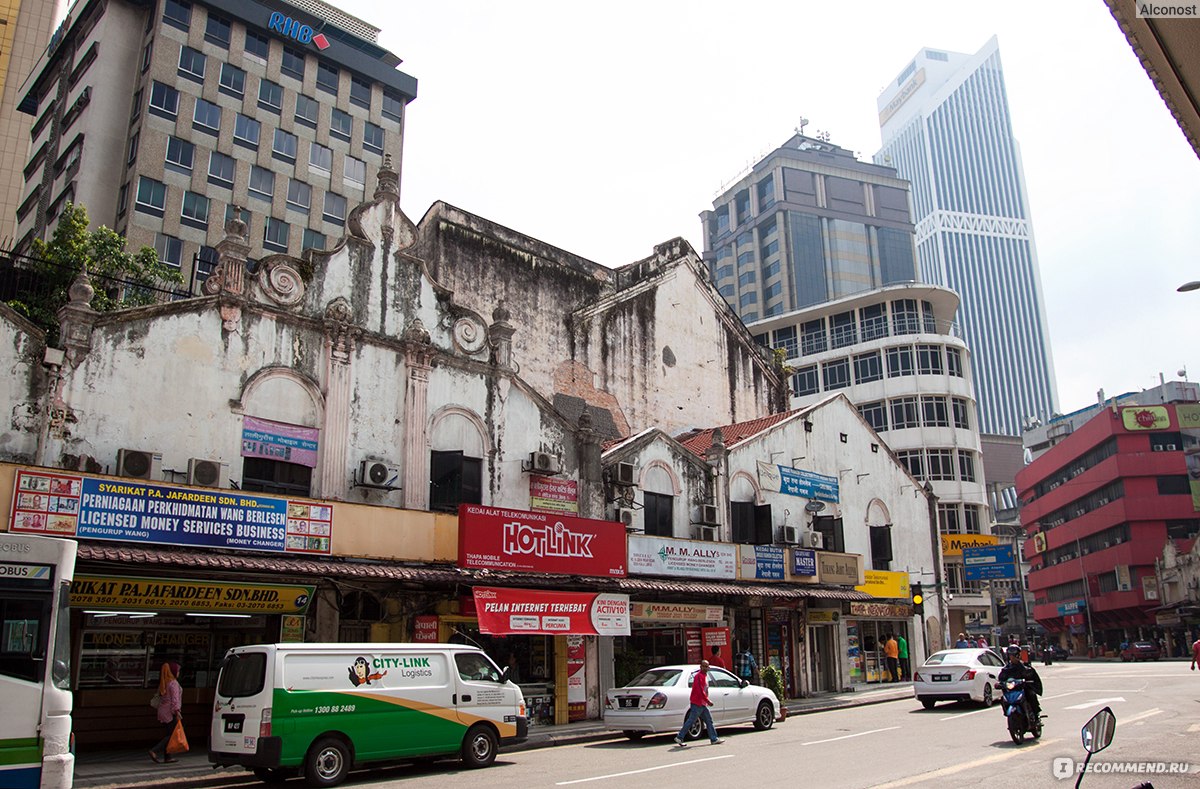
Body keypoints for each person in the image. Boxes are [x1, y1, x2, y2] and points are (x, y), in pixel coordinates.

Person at [673, 660, 722, 746]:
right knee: (691, 720)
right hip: (697, 703)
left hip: (702, 704)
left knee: (708, 720)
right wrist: (708, 701)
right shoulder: (698, 676)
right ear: (700, 667)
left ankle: (714, 738)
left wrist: (706, 701)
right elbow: (700, 691)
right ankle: (679, 737)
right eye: (704, 666)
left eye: (707, 666)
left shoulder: (704, 676)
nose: (705, 668)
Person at [149, 661, 183, 764]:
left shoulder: (165, 682)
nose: (178, 673)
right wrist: (177, 712)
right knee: (171, 735)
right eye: (178, 671)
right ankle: (154, 750)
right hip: (170, 712)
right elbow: (175, 700)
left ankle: (168, 756)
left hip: (162, 712)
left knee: (169, 733)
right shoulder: (173, 683)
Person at [998, 645, 1042, 717]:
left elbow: (1031, 676)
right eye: (1011, 655)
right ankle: (1007, 713)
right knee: (1003, 698)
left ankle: (1035, 715)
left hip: (1023, 689)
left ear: (1018, 655)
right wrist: (1000, 684)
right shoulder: (1006, 669)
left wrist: (1027, 681)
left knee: (1031, 695)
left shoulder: (1025, 667)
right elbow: (1001, 678)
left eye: (1014, 655)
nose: (1012, 658)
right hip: (1012, 690)